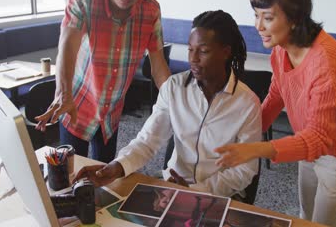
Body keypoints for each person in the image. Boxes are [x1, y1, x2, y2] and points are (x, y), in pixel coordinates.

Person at [214, 0, 336, 227]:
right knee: (305, 218)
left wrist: (255, 148)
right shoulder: (280, 48)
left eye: (267, 17)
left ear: (295, 19)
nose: (258, 26)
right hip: (308, 146)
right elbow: (278, 92)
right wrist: (250, 132)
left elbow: (321, 138)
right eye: (256, 16)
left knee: (322, 225)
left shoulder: (326, 60)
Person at [73, 10, 261, 198]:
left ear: (226, 52)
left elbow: (245, 170)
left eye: (203, 51)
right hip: (172, 185)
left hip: (220, 194)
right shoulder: (174, 88)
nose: (193, 59)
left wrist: (195, 191)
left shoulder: (247, 103)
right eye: (190, 49)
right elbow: (147, 140)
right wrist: (116, 166)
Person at [35, 0, 171, 163]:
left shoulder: (151, 10)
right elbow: (67, 48)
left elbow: (159, 68)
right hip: (76, 106)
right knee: (70, 175)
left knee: (104, 175)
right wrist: (64, 93)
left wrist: (178, 103)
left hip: (111, 113)